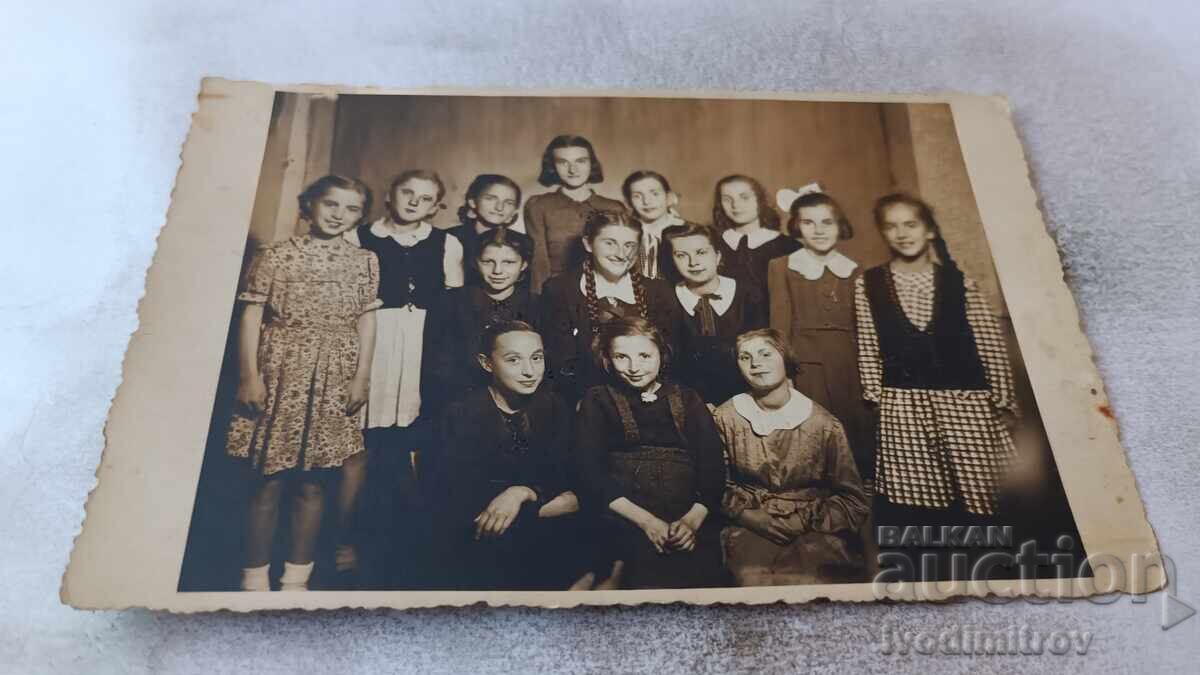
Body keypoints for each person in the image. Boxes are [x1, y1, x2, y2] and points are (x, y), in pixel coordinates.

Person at [227, 175, 380, 591]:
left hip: (334, 376)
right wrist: (249, 377)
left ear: (360, 217)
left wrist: (361, 377)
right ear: (309, 205)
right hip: (280, 371)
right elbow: (251, 316)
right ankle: (253, 581)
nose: (339, 215)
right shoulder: (275, 254)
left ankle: (296, 581)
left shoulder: (365, 261)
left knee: (314, 483)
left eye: (352, 209)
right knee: (268, 481)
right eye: (331, 204)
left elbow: (367, 321)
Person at [855, 193, 1019, 549]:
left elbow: (990, 344)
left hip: (965, 400)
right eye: (892, 227)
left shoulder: (959, 283)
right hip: (903, 403)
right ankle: (935, 564)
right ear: (883, 233)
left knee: (980, 492)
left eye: (911, 224)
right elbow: (869, 344)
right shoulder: (868, 284)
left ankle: (989, 560)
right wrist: (877, 397)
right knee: (918, 499)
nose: (902, 234)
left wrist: (1002, 400)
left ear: (929, 230)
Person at [343, 169, 464, 587]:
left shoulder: (447, 243)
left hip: (424, 347)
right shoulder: (360, 236)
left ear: (436, 206)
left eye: (425, 198)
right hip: (374, 342)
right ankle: (349, 539)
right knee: (365, 441)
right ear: (390, 195)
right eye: (407, 193)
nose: (415, 202)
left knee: (412, 441)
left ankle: (409, 545)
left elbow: (453, 306)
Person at [431, 321, 590, 590]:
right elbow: (458, 499)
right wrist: (551, 501)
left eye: (536, 358)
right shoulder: (460, 414)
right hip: (483, 546)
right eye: (513, 360)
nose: (529, 371)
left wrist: (521, 492)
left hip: (549, 540)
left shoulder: (554, 407)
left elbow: (574, 482)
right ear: (487, 363)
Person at [573, 318, 728, 589]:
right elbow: (591, 475)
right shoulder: (598, 400)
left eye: (644, 356)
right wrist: (647, 523)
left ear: (661, 355)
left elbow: (712, 469)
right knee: (633, 576)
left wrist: (691, 522)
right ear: (607, 359)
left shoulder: (688, 399)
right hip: (624, 519)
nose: (634, 367)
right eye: (621, 357)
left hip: (686, 518)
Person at [714, 329, 869, 586]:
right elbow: (714, 483)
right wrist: (747, 516)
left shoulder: (824, 424)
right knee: (750, 579)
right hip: (749, 523)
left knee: (810, 581)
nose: (755, 363)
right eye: (745, 357)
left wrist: (801, 521)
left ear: (786, 358)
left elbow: (853, 501)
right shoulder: (726, 417)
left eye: (765, 354)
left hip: (813, 526)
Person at [767, 186, 873, 480]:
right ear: (796, 227)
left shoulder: (855, 269)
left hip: (850, 364)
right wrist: (785, 371)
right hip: (806, 364)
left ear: (840, 226)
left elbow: (866, 327)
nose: (819, 230)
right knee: (812, 433)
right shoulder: (782, 267)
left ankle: (857, 494)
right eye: (808, 222)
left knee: (856, 432)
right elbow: (779, 323)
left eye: (827, 222)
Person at [539, 210, 681, 405]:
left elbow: (670, 358)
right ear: (588, 244)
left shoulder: (659, 291)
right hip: (582, 401)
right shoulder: (559, 290)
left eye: (629, 245)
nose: (621, 254)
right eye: (610, 243)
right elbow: (560, 363)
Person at [424, 226, 539, 412]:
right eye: (488, 262)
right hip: (461, 403)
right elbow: (438, 367)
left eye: (509, 262)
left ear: (524, 264)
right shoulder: (451, 302)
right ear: (476, 262)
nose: (497, 271)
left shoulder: (538, 306)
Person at [661, 222, 766, 405]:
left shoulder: (749, 295)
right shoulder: (665, 300)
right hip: (687, 403)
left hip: (747, 399)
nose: (693, 262)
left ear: (717, 256)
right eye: (682, 255)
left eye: (701, 252)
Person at [524, 135, 626, 292]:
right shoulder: (538, 205)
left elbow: (623, 258)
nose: (572, 170)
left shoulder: (614, 208)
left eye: (581, 161)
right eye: (563, 162)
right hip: (558, 293)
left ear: (591, 163)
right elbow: (539, 262)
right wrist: (541, 301)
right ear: (552, 166)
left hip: (607, 291)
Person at [711, 174, 799, 304]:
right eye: (727, 199)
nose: (735, 205)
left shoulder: (789, 246)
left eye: (744, 197)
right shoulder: (712, 244)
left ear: (760, 199)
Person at [447, 174, 526, 287]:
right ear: (473, 202)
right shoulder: (448, 238)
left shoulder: (523, 243)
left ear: (514, 211)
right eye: (491, 199)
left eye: (509, 202)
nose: (499, 207)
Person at [621, 170, 686, 280]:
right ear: (629, 202)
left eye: (655, 194)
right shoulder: (625, 234)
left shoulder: (688, 231)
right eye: (637, 196)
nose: (646, 201)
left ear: (668, 197)